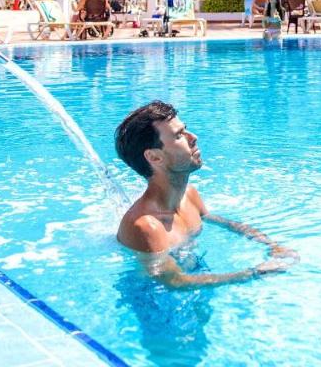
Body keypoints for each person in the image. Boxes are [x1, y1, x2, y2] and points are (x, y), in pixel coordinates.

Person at [115, 102, 296, 287]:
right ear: (154, 157)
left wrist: (271, 245)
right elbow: (175, 282)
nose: (193, 137)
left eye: (185, 130)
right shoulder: (147, 227)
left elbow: (223, 222)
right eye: (179, 135)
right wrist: (256, 272)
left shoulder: (189, 196)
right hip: (151, 297)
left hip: (195, 276)